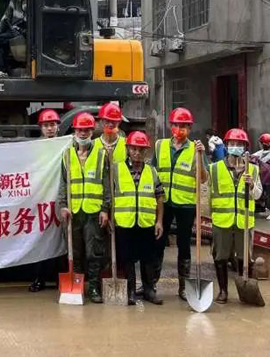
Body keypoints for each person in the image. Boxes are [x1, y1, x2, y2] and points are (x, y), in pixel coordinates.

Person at [152, 107, 208, 301]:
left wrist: (200, 156)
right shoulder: (160, 145)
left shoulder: (195, 149)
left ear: (190, 129)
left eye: (184, 126)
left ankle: (184, 287)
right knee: (158, 242)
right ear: (171, 126)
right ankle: (152, 283)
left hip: (186, 205)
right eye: (176, 125)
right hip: (164, 203)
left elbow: (203, 178)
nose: (179, 129)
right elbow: (152, 172)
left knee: (184, 245)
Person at [107, 131, 165, 305]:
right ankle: (130, 291)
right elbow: (109, 195)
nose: (137, 153)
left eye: (141, 150)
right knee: (127, 259)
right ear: (127, 149)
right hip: (124, 223)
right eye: (134, 149)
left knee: (148, 258)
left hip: (146, 223)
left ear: (146, 151)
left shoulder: (151, 171)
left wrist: (159, 221)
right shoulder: (116, 169)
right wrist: (109, 216)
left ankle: (149, 290)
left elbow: (159, 197)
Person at [58, 112, 107, 303]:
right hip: (73, 212)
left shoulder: (101, 155)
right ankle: (77, 287)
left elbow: (107, 185)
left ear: (92, 131)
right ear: (75, 131)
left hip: (93, 212)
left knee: (93, 252)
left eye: (86, 130)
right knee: (75, 252)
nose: (83, 133)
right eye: (80, 130)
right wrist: (63, 205)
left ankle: (93, 288)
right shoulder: (67, 155)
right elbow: (63, 183)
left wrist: (105, 208)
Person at [209, 128, 263, 304]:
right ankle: (223, 291)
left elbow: (258, 195)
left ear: (245, 147)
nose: (235, 147)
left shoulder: (253, 169)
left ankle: (244, 288)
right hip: (222, 220)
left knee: (244, 257)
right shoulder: (215, 168)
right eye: (232, 143)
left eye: (239, 144)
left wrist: (252, 185)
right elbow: (206, 191)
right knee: (220, 257)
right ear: (226, 145)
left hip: (244, 221)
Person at [29, 109, 61, 292]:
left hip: (60, 198)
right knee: (41, 239)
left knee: (61, 240)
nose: (50, 128)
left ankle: (59, 279)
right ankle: (38, 278)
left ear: (58, 127)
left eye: (53, 125)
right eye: (46, 125)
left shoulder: (66, 146)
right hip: (42, 199)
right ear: (41, 128)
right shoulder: (36, 148)